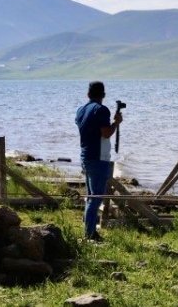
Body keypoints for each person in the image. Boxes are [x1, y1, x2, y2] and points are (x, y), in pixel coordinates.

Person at [75, 81, 121, 242]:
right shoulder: (101, 110)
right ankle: (89, 234)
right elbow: (106, 133)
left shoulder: (80, 110)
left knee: (91, 196)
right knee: (96, 197)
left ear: (88, 94)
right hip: (98, 158)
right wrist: (116, 123)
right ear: (103, 95)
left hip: (85, 156)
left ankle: (89, 227)